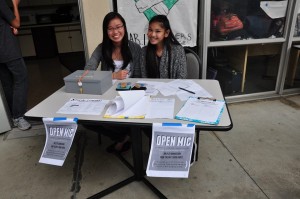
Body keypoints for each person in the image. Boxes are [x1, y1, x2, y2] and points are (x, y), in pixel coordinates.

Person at [84, 12, 142, 153]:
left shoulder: (135, 48)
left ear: (124, 27)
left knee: (121, 117)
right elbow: (88, 70)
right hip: (107, 93)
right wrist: (113, 75)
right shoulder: (102, 48)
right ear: (106, 31)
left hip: (130, 94)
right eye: (110, 28)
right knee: (85, 120)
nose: (115, 32)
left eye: (118, 27)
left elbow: (141, 76)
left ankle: (124, 134)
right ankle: (123, 137)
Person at [0, 0, 31, 130]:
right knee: (21, 79)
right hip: (8, 50)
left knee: (7, 83)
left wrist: (8, 28)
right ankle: (19, 116)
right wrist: (15, 5)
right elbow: (16, 23)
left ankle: (13, 116)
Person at [140, 14, 187, 79]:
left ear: (166, 33)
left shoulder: (178, 51)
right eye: (150, 30)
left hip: (173, 88)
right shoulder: (144, 51)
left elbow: (181, 78)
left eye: (157, 31)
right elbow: (144, 77)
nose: (153, 34)